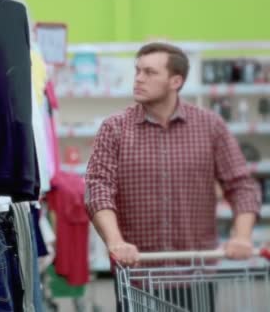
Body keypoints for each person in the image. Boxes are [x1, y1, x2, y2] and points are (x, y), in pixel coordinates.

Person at [84, 42, 262, 310]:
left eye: (150, 72)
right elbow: (98, 188)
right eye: (137, 71)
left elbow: (241, 185)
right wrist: (115, 242)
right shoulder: (115, 129)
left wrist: (242, 236)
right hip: (138, 277)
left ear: (175, 81)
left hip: (196, 274)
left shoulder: (210, 126)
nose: (139, 79)